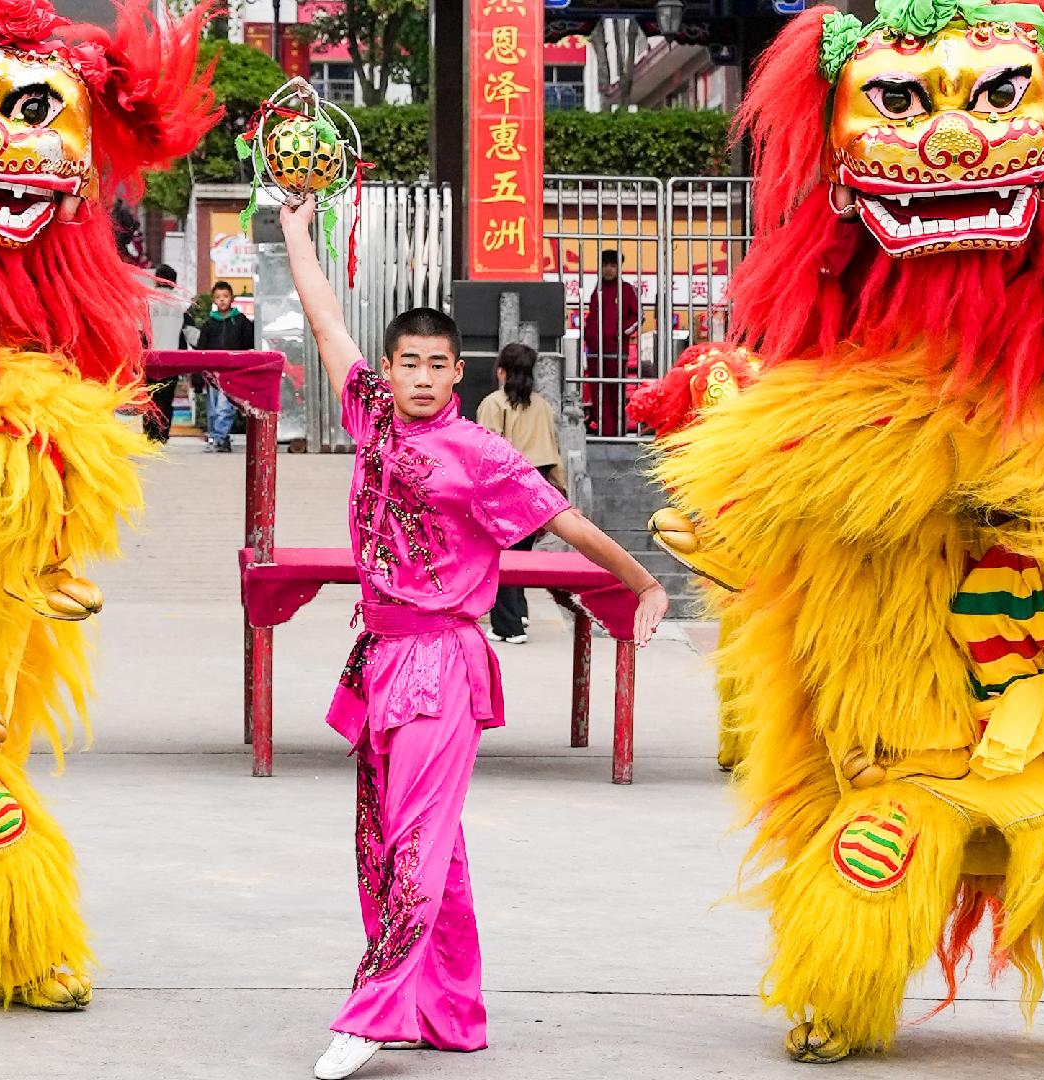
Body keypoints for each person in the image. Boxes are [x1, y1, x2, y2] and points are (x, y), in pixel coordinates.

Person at [282, 197, 668, 1080]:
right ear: (387, 369)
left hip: (440, 663)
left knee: (414, 844)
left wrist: (644, 582)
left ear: (461, 371)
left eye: (437, 365)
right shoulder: (371, 415)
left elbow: (566, 520)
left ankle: (373, 1012)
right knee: (406, 842)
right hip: (380, 658)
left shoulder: (481, 452)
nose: (422, 377)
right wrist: (298, 226)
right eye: (408, 363)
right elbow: (325, 317)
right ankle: (448, 1012)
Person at [474, 342, 566, 644]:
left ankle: (509, 626)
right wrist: (560, 489)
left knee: (499, 555)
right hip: (538, 481)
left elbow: (487, 451)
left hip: (507, 482)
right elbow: (553, 449)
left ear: (501, 371)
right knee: (521, 552)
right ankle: (520, 611)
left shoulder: (494, 404)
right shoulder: (542, 405)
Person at [580, 248, 640, 438]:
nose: (608, 269)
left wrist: (619, 333)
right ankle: (604, 430)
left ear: (619, 268)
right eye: (605, 265)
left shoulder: (626, 290)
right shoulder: (597, 290)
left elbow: (637, 316)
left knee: (616, 392)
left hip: (616, 351)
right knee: (598, 392)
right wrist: (589, 335)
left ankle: (617, 431)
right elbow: (592, 317)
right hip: (595, 351)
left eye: (612, 265)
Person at [195, 280, 255, 452]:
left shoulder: (241, 321)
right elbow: (201, 349)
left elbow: (248, 345)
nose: (222, 300)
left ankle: (219, 438)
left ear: (232, 298)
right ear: (213, 299)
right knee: (213, 408)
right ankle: (218, 437)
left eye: (225, 296)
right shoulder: (209, 324)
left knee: (225, 406)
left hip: (232, 371)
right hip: (212, 372)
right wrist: (199, 372)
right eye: (218, 297)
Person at [142, 264, 186, 443]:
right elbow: (189, 332)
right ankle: (162, 435)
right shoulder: (182, 304)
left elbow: (140, 330)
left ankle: (149, 434)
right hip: (172, 360)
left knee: (150, 398)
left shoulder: (147, 301)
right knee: (167, 399)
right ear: (174, 282)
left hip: (150, 358)